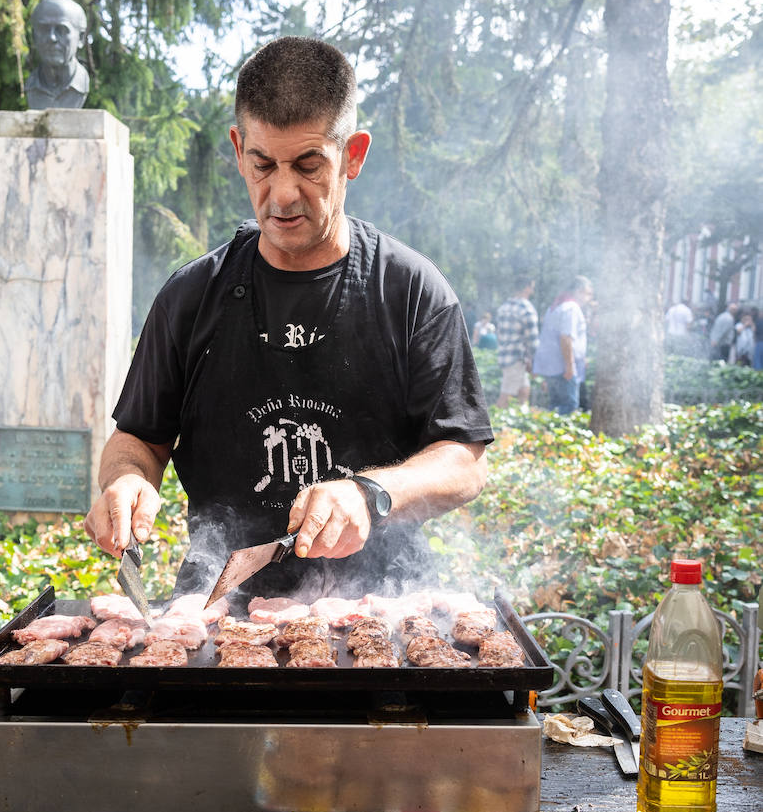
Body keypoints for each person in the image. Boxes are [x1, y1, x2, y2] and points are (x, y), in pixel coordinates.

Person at [84, 37, 492, 599]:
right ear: (238, 149)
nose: (281, 195)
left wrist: (370, 492)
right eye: (263, 164)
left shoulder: (411, 291)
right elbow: (138, 438)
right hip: (218, 612)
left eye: (308, 165)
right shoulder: (191, 296)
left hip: (382, 613)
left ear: (352, 155)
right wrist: (126, 479)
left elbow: (464, 460)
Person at [530, 276, 594, 415]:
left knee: (556, 405)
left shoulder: (556, 306)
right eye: (588, 293)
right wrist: (569, 366)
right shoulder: (571, 308)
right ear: (579, 291)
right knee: (568, 406)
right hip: (562, 367)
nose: (589, 298)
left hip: (553, 366)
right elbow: (565, 338)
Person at [25, 0, 90, 110]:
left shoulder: (82, 83)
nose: (52, 38)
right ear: (34, 37)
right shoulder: (31, 85)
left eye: (62, 30)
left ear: (80, 38)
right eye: (44, 29)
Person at [494, 275, 539, 407]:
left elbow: (499, 334)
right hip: (516, 358)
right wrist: (536, 362)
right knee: (506, 396)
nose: (532, 291)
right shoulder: (526, 309)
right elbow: (532, 340)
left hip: (506, 356)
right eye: (532, 287)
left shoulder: (504, 307)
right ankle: (493, 418)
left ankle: (521, 414)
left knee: (524, 389)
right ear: (526, 288)